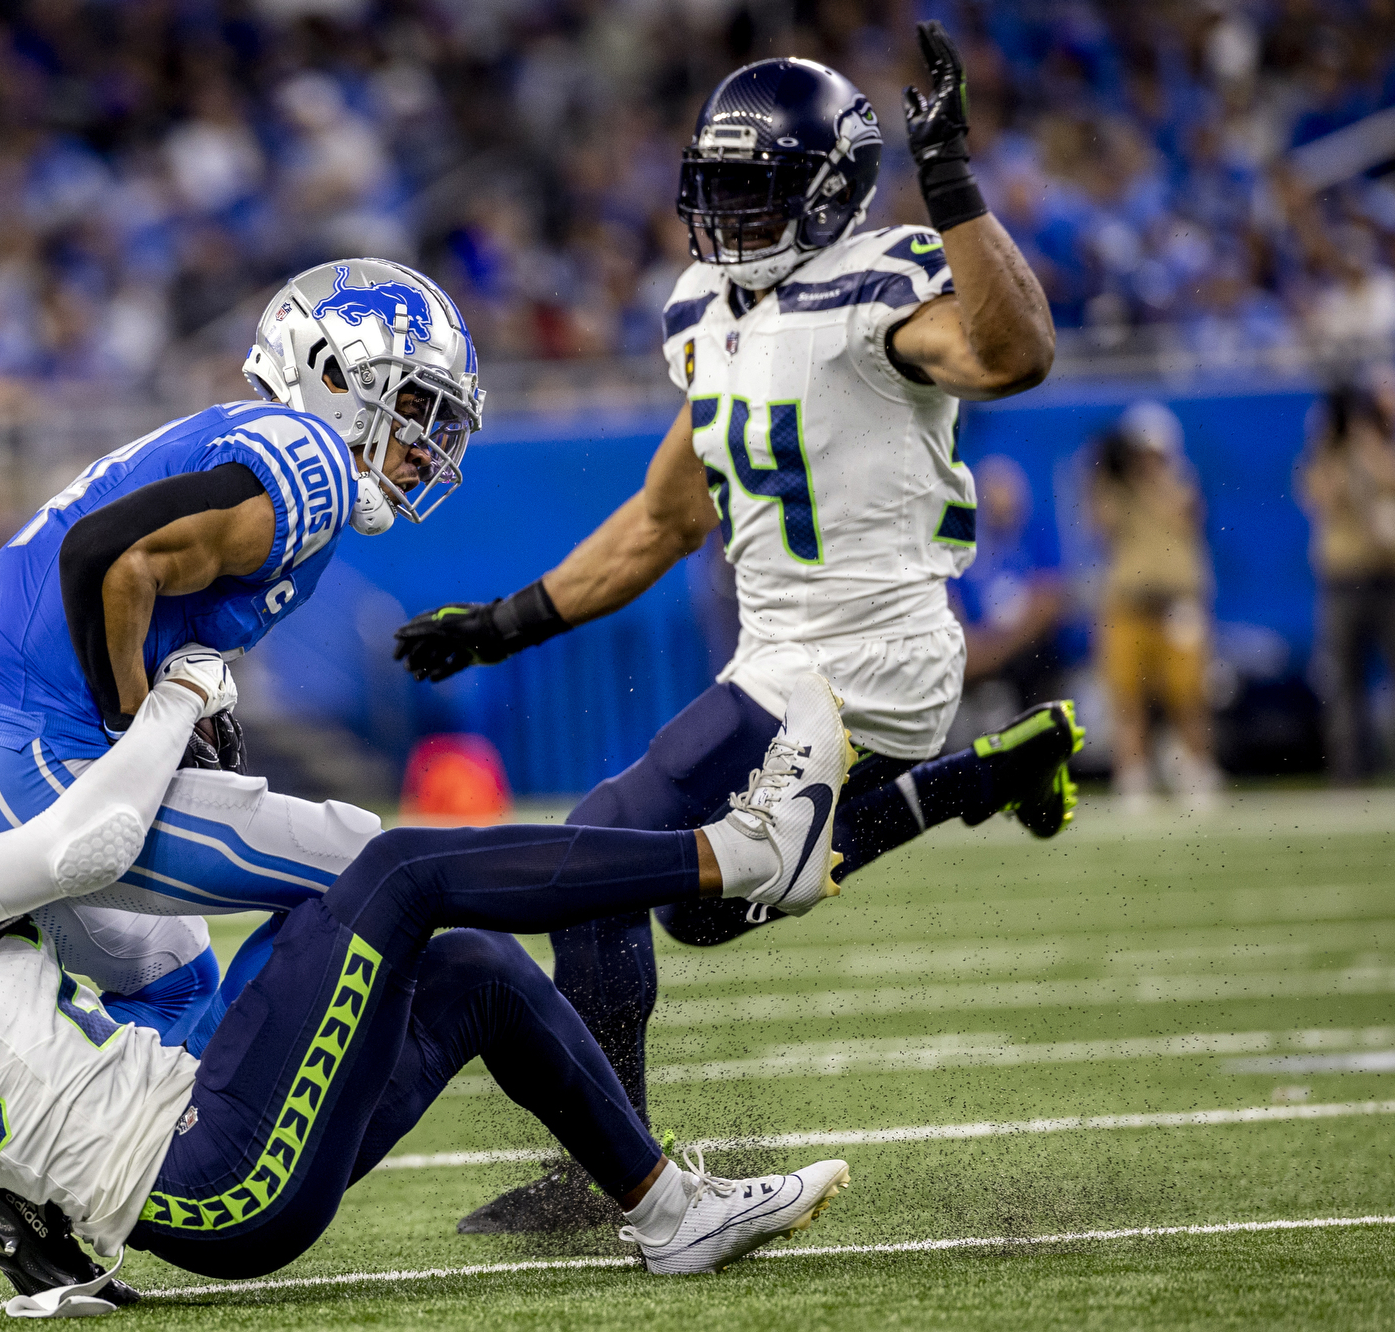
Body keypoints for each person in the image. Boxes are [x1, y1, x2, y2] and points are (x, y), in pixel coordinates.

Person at [388, 30, 1077, 1232]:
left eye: (752, 190)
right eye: (713, 190)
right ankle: (975, 781)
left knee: (602, 840)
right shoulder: (706, 309)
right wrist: (502, 625)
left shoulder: (883, 283)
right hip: (779, 664)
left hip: (868, 654)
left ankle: (610, 1175)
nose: (725, 217)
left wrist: (954, 181)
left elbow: (1011, 353)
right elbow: (663, 517)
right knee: (693, 906)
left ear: (825, 190)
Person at [0, 662, 857, 1304]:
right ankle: (732, 855)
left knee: (472, 969)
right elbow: (82, 849)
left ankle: (666, 1212)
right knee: (394, 873)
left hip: (197, 1163)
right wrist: (166, 707)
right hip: (209, 1169)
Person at [0, 257, 480, 1052]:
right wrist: (141, 724)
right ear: (333, 374)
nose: (424, 445)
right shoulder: (310, 461)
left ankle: (47, 1175)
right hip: (29, 760)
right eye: (413, 406)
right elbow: (107, 557)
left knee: (179, 992)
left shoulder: (239, 442)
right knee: (378, 866)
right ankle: (243, 1133)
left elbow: (118, 570)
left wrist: (178, 700)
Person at [1089, 402, 1222, 812]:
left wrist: (1146, 479)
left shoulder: (1179, 480)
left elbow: (1182, 515)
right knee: (1127, 696)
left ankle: (1196, 769)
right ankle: (1133, 775)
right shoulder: (1113, 487)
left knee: (1188, 695)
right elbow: (1101, 525)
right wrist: (1105, 472)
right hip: (1129, 602)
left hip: (1176, 602)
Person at [1297, 384, 1395, 785]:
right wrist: (1333, 445)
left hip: (1385, 575)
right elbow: (1321, 497)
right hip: (1342, 581)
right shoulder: (1323, 456)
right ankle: (1350, 773)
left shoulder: (1378, 450)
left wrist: (1367, 441)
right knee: (1344, 682)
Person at [948, 455, 1069, 742]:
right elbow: (951, 602)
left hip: (1023, 650)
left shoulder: (1036, 536)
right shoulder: (965, 546)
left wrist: (994, 652)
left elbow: (1050, 600)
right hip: (978, 647)